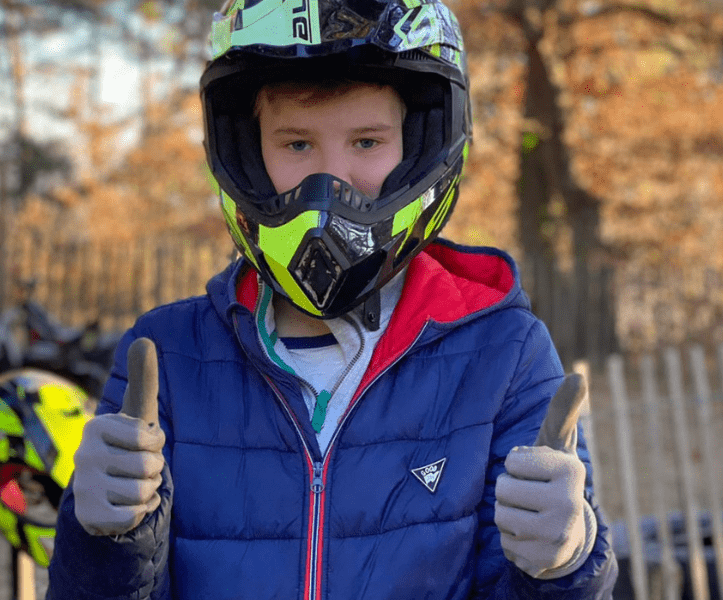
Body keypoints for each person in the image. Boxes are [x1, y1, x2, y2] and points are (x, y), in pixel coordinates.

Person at [47, 0, 618, 597]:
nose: (332, 182)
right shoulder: (166, 359)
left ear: (421, 145)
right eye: (297, 146)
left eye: (367, 142)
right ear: (247, 152)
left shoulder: (503, 354)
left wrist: (563, 567)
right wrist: (105, 542)